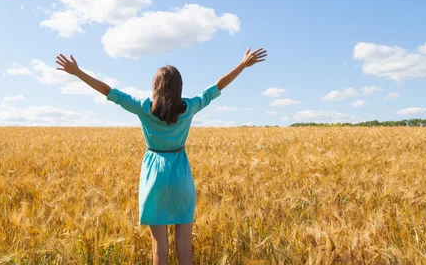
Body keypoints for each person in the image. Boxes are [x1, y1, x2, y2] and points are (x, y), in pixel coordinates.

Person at [54, 47, 267, 265]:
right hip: (180, 175)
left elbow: (109, 91)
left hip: (153, 177)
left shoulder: (144, 107)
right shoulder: (190, 107)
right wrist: (242, 65)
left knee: (159, 250)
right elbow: (215, 88)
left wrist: (78, 73)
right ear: (179, 87)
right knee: (184, 248)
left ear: (155, 87)